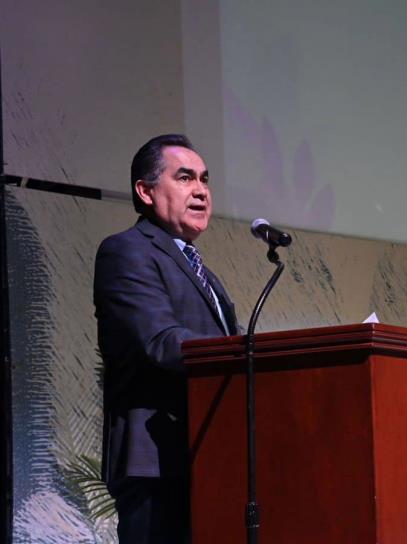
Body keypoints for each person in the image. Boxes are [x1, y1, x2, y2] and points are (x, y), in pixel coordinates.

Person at [95, 134, 239, 543]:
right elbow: (160, 341)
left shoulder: (204, 274)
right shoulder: (126, 251)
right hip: (157, 462)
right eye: (185, 178)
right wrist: (241, 355)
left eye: (205, 180)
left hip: (208, 456)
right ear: (145, 190)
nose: (201, 191)